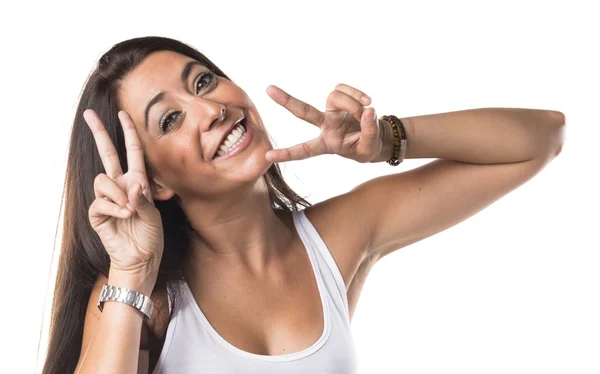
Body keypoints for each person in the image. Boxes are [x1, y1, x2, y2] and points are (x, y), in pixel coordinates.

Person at [41, 36, 565, 374]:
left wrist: (386, 141)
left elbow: (541, 137)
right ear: (154, 182)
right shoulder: (144, 299)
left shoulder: (335, 239)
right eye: (170, 119)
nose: (211, 109)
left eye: (202, 81)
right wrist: (130, 274)